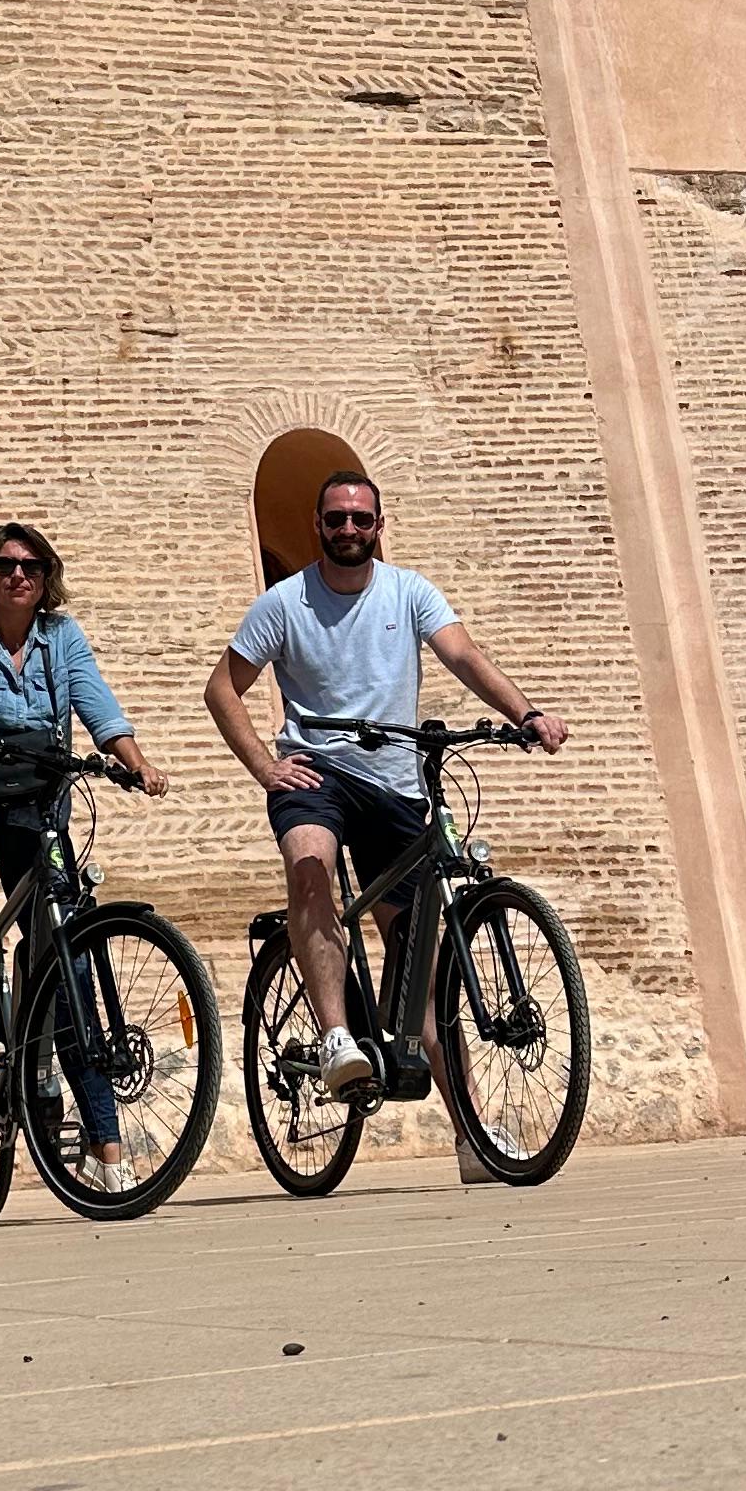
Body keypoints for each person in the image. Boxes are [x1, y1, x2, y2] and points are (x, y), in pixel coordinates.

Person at [202, 467, 566, 1109]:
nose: (348, 528)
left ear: (378, 525)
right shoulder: (284, 603)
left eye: (360, 518)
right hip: (315, 775)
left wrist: (525, 714)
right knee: (310, 867)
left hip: (397, 783)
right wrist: (265, 766)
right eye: (336, 518)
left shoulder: (409, 592)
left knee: (420, 970)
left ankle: (473, 1133)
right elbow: (222, 689)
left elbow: (464, 656)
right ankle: (338, 1037)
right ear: (318, 525)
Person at [0, 521, 164, 1184]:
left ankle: (108, 1150)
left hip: (38, 809)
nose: (17, 575)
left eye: (29, 566)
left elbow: (100, 709)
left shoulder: (63, 639)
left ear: (46, 577)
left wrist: (135, 764)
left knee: (69, 956)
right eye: (4, 566)